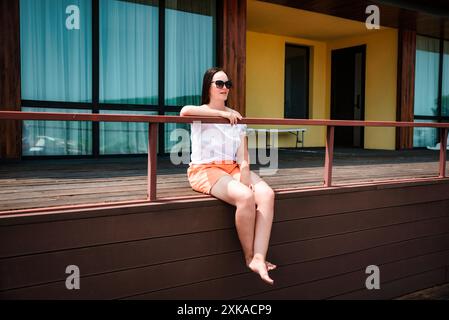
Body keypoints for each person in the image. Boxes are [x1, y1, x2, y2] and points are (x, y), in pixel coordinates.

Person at [180, 67, 276, 285]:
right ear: (209, 87)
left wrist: (243, 174)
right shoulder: (201, 112)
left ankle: (260, 257)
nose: (225, 88)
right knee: (245, 197)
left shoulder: (236, 117)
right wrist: (222, 113)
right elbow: (184, 111)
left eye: (228, 84)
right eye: (219, 84)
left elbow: (243, 154)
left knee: (267, 194)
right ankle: (249, 257)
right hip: (205, 169)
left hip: (231, 167)